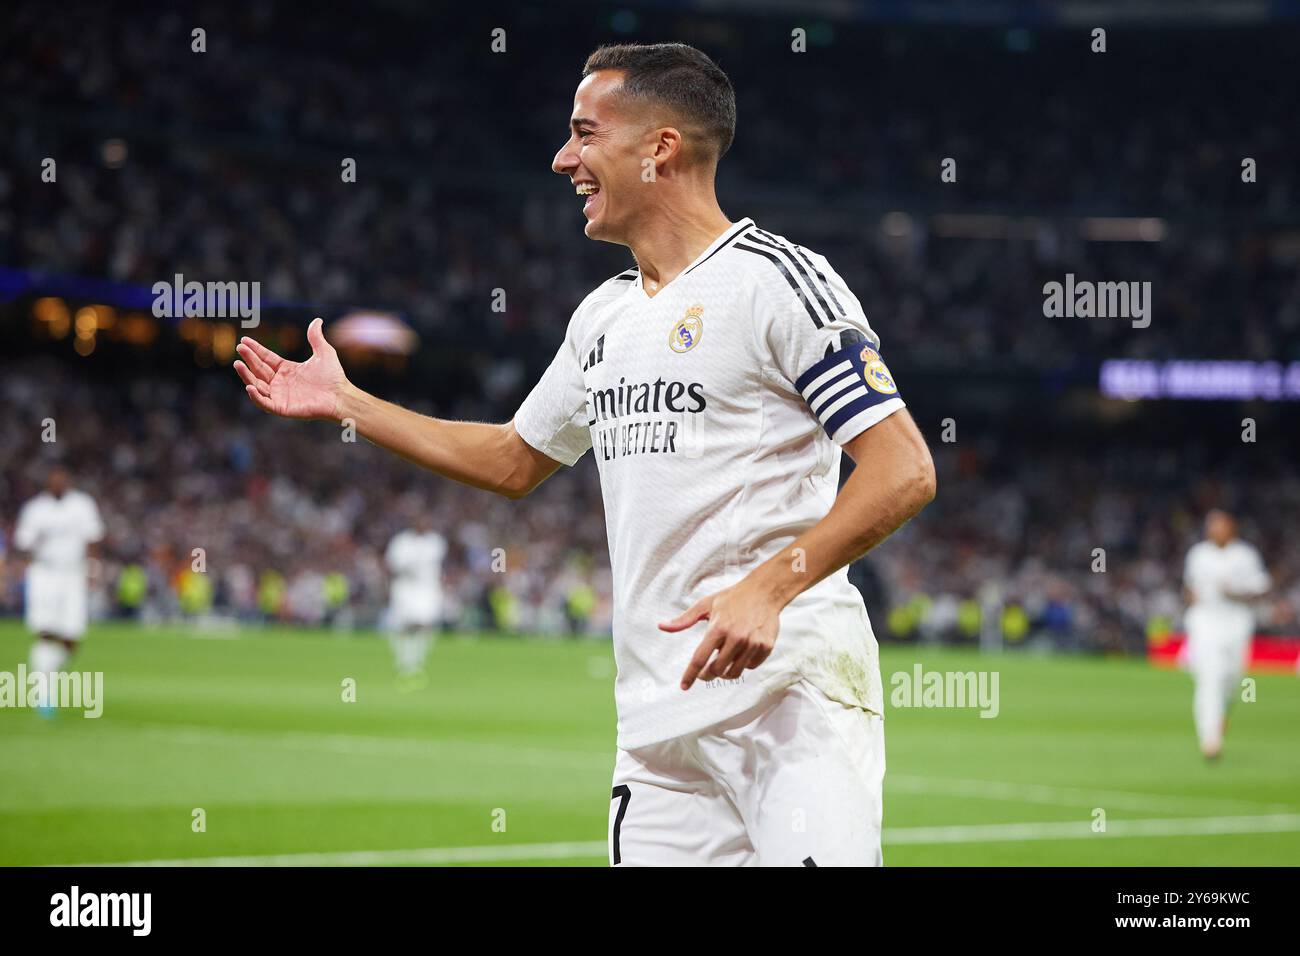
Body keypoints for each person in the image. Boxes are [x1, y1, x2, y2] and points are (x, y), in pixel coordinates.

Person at [234, 42, 935, 866]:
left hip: (790, 700)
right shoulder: (602, 319)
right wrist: (349, 404)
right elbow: (511, 459)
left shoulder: (775, 283)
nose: (564, 158)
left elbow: (904, 467)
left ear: (659, 147)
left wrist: (767, 588)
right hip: (657, 727)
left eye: (584, 133)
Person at [12, 465, 105, 716]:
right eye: (54, 480)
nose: (59, 483)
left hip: (73, 573)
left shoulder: (82, 505)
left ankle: (47, 675)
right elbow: (23, 543)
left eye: (63, 479)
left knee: (71, 637)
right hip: (45, 573)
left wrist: (94, 569)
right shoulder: (35, 510)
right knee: (45, 632)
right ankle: (44, 694)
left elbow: (93, 538)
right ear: (47, 483)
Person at [1183, 510, 1270, 759]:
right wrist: (1192, 597)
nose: (1215, 530)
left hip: (1236, 622)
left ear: (1232, 529)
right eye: (1212, 526)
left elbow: (1261, 589)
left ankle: (1221, 713)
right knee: (1210, 677)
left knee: (1232, 679)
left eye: (1220, 526)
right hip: (1205, 620)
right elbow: (1189, 587)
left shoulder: (1245, 555)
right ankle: (1210, 739)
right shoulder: (1198, 554)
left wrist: (1236, 593)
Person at [384, 513, 448, 689]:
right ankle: (404, 662)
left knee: (425, 626)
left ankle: (416, 663)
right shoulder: (401, 542)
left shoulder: (435, 542)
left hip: (427, 590)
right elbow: (393, 566)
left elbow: (435, 565)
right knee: (402, 628)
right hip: (405, 589)